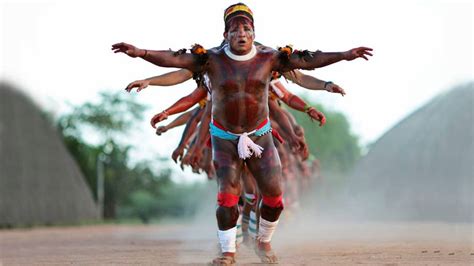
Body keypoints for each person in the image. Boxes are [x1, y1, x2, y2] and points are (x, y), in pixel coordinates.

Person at [112, 3, 372, 264]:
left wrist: (344, 56)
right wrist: (140, 53)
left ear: (254, 33)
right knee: (227, 197)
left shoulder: (270, 58)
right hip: (224, 139)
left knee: (274, 199)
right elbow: (176, 63)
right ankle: (227, 253)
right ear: (225, 35)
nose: (241, 33)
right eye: (234, 29)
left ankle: (263, 241)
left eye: (246, 28)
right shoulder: (210, 60)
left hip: (260, 136)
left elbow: (306, 65)